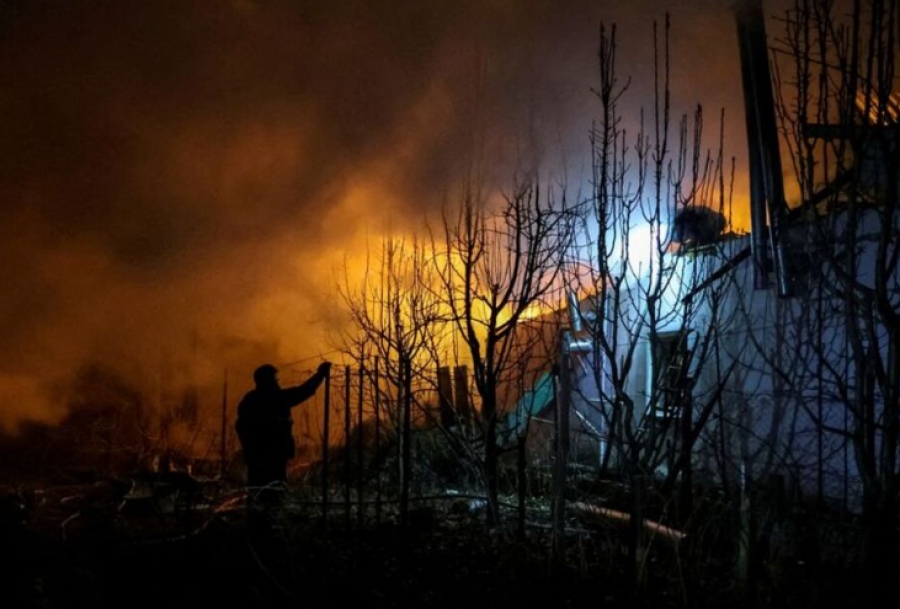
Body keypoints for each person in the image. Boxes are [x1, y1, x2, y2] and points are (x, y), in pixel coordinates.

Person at [235, 361, 331, 523]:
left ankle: (257, 528)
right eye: (274, 379)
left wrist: (250, 450)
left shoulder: (250, 401)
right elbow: (303, 391)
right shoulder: (275, 399)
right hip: (273, 458)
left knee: (257, 496)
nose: (277, 383)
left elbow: (240, 427)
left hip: (257, 459)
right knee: (273, 496)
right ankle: (269, 528)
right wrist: (320, 374)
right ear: (267, 381)